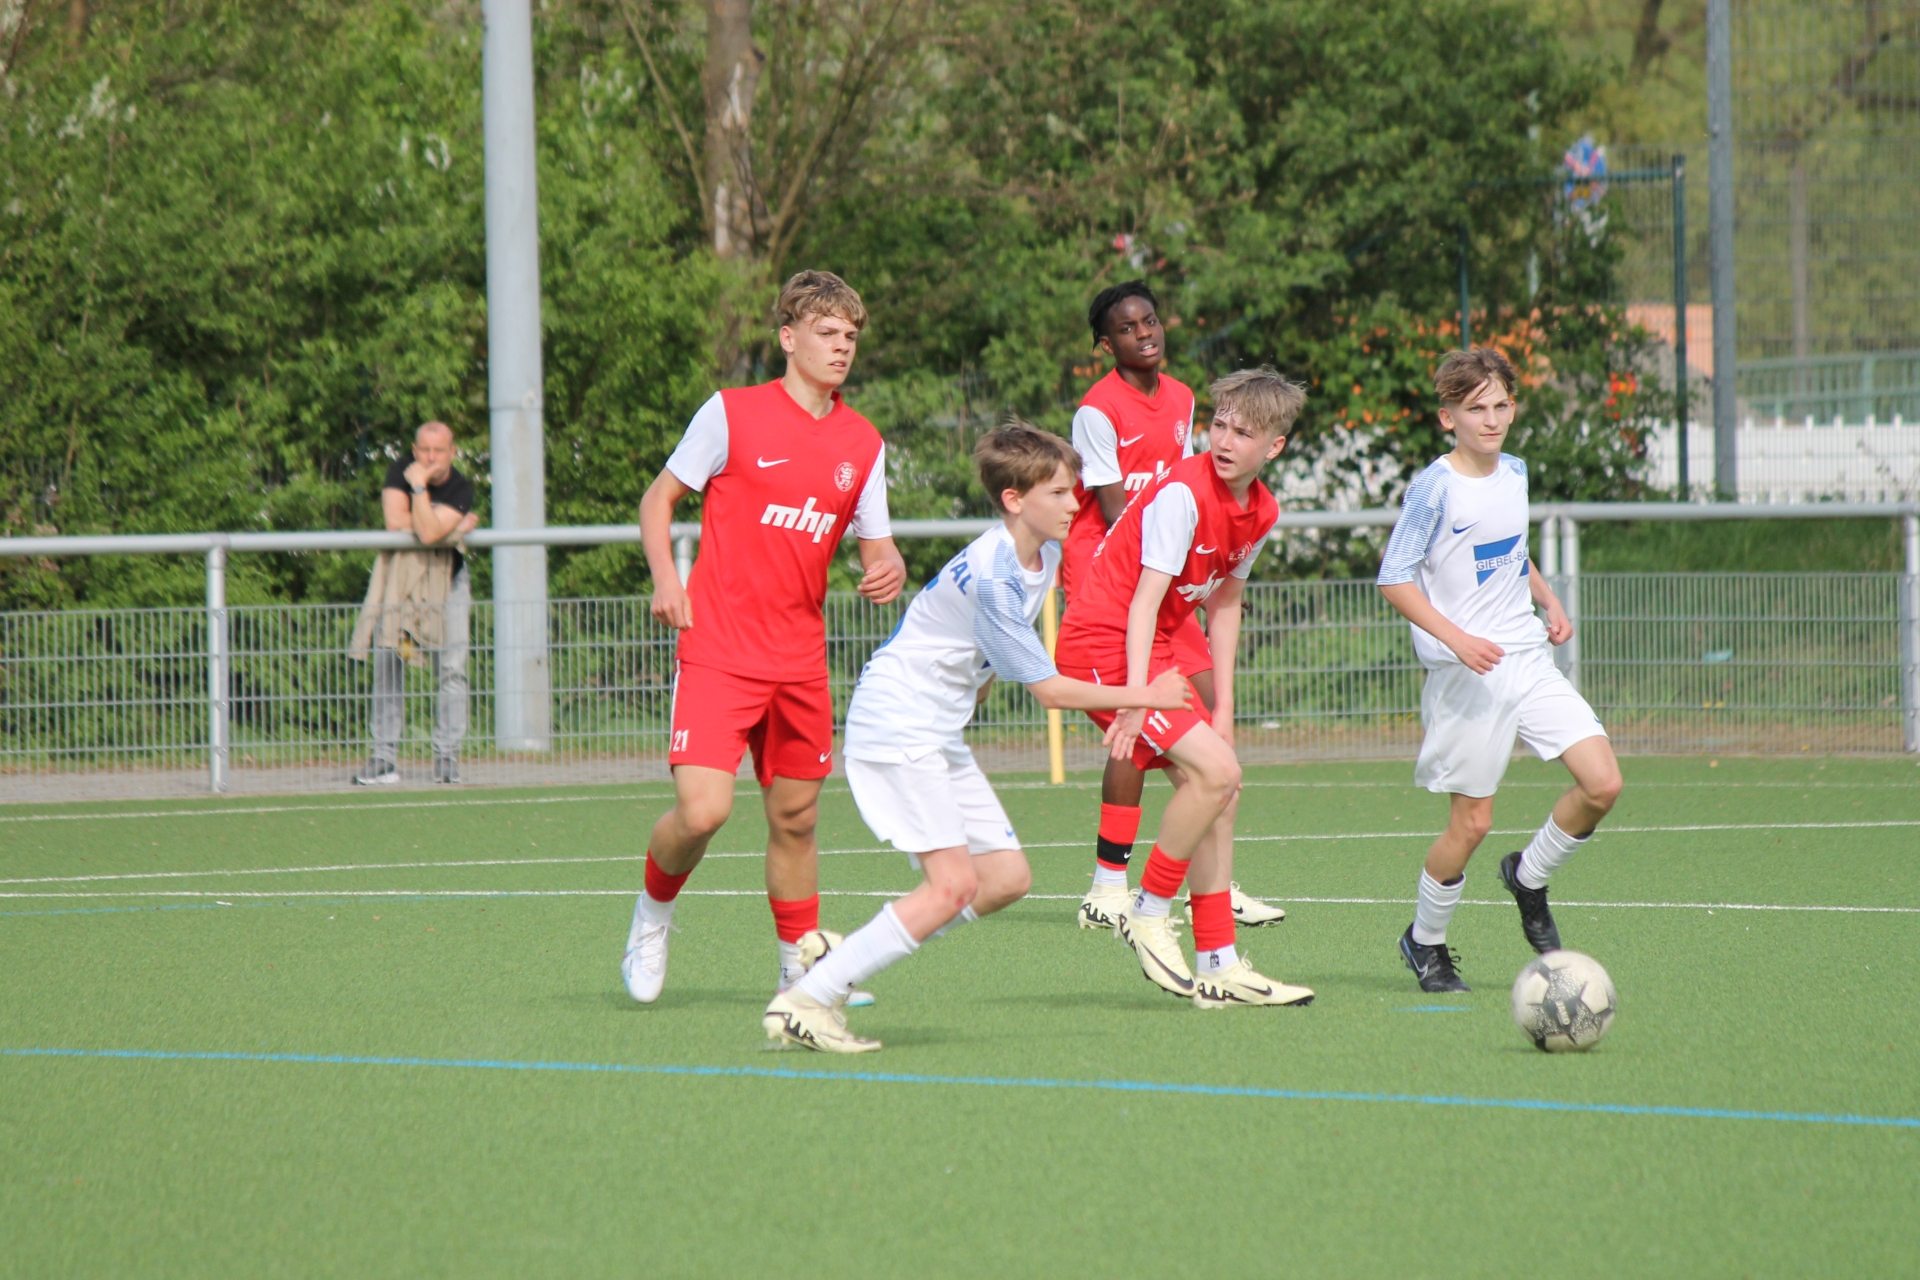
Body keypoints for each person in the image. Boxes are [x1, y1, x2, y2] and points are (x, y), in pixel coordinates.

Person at [764, 423, 1193, 1052]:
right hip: (899, 723)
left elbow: (985, 652)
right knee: (952, 884)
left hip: (934, 729)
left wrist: (976, 676)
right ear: (1014, 500)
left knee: (1004, 878)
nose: (1074, 503)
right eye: (1058, 493)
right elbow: (1051, 692)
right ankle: (807, 1001)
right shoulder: (996, 572)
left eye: (1073, 490)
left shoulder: (1042, 557)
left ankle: (839, 962)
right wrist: (1147, 695)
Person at [621, 271, 908, 1006]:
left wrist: (889, 568)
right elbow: (658, 500)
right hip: (719, 648)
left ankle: (800, 970)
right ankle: (652, 914)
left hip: (799, 660)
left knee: (797, 818)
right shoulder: (731, 413)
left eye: (850, 336)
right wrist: (666, 579)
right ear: (788, 338)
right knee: (703, 812)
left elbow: (878, 548)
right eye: (826, 332)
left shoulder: (862, 442)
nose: (841, 346)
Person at [1054, 368, 1314, 1009]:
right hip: (1103, 641)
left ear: (1274, 447)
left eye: (1243, 433)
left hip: (1158, 644)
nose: (1223, 440)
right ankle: (1147, 909)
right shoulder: (1182, 494)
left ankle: (1218, 964)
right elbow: (1144, 604)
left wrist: (1224, 707)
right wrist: (1135, 701)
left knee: (1220, 789)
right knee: (1218, 773)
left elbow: (1225, 602)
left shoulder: (1263, 510)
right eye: (1218, 424)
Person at [1376, 347, 1624, 993]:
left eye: (1501, 405)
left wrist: (1547, 597)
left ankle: (1528, 877)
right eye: (1475, 408)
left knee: (1602, 784)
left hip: (1526, 656)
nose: (1491, 419)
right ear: (1447, 418)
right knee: (1472, 825)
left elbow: (1509, 551)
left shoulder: (1514, 470)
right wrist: (1458, 641)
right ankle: (1424, 941)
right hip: (1468, 674)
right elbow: (1394, 578)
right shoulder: (1434, 487)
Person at [1064, 282, 1285, 934]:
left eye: (1150, 321)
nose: (1144, 333)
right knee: (1135, 726)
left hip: (1165, 583)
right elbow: (1119, 510)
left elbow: (1223, 586)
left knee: (1212, 736)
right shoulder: (1098, 410)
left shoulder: (1187, 400)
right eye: (1127, 327)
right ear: (1106, 344)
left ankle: (1210, 889)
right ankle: (1110, 886)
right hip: (1115, 578)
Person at [349, 421, 480, 786]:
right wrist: (449, 527)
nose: (431, 457)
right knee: (388, 662)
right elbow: (397, 522)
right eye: (424, 450)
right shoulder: (399, 471)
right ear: (414, 449)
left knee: (452, 668)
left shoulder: (461, 487)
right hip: (400, 584)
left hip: (448, 583)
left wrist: (419, 491)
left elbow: (427, 532)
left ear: (453, 452)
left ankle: (446, 757)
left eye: (439, 451)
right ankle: (383, 758)